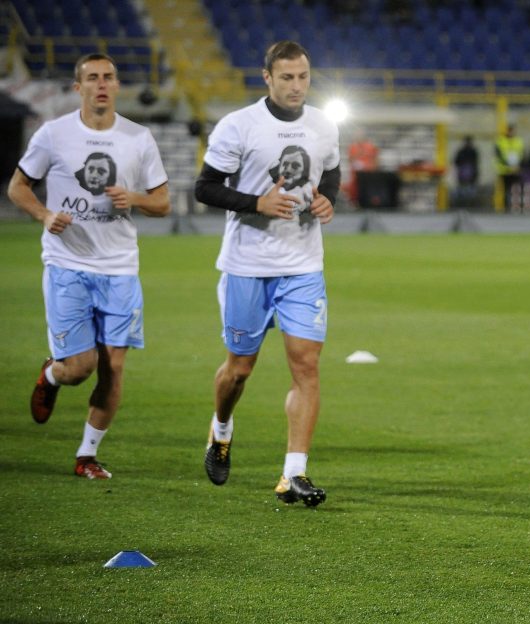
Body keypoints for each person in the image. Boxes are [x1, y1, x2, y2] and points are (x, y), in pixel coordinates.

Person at [7, 53, 170, 479]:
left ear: (118, 86)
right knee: (80, 367)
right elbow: (17, 187)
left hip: (119, 268)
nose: (102, 84)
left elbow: (162, 202)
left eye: (109, 77)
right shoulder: (54, 134)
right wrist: (44, 216)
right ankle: (53, 375)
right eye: (92, 77)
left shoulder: (138, 138)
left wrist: (132, 198)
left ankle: (87, 456)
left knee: (113, 365)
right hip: (67, 263)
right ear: (78, 87)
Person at [193, 40, 342, 506]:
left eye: (303, 77)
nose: (297, 86)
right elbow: (204, 188)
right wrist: (256, 202)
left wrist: (326, 200)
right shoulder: (239, 126)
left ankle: (293, 472)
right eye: (287, 78)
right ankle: (221, 429)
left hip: (302, 266)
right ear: (267, 78)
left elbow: (331, 173)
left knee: (307, 366)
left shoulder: (323, 124)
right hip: (247, 266)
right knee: (239, 370)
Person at [494, 123, 524, 212]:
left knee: (516, 190)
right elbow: (498, 155)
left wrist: (518, 165)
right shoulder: (500, 141)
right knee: (505, 190)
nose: (511, 132)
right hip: (504, 170)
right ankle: (506, 207)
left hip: (516, 170)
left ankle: (516, 207)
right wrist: (508, 164)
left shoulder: (519, 141)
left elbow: (522, 154)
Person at [347, 127, 379, 206]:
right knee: (355, 190)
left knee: (367, 191)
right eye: (357, 134)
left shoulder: (371, 146)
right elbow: (351, 160)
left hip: (368, 174)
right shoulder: (353, 147)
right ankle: (355, 203)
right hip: (356, 175)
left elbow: (375, 159)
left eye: (360, 134)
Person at [453, 134, 479, 207]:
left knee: (468, 190)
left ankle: (466, 204)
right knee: (465, 190)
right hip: (465, 175)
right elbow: (456, 162)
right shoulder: (465, 151)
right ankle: (465, 204)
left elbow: (456, 162)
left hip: (468, 175)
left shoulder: (469, 151)